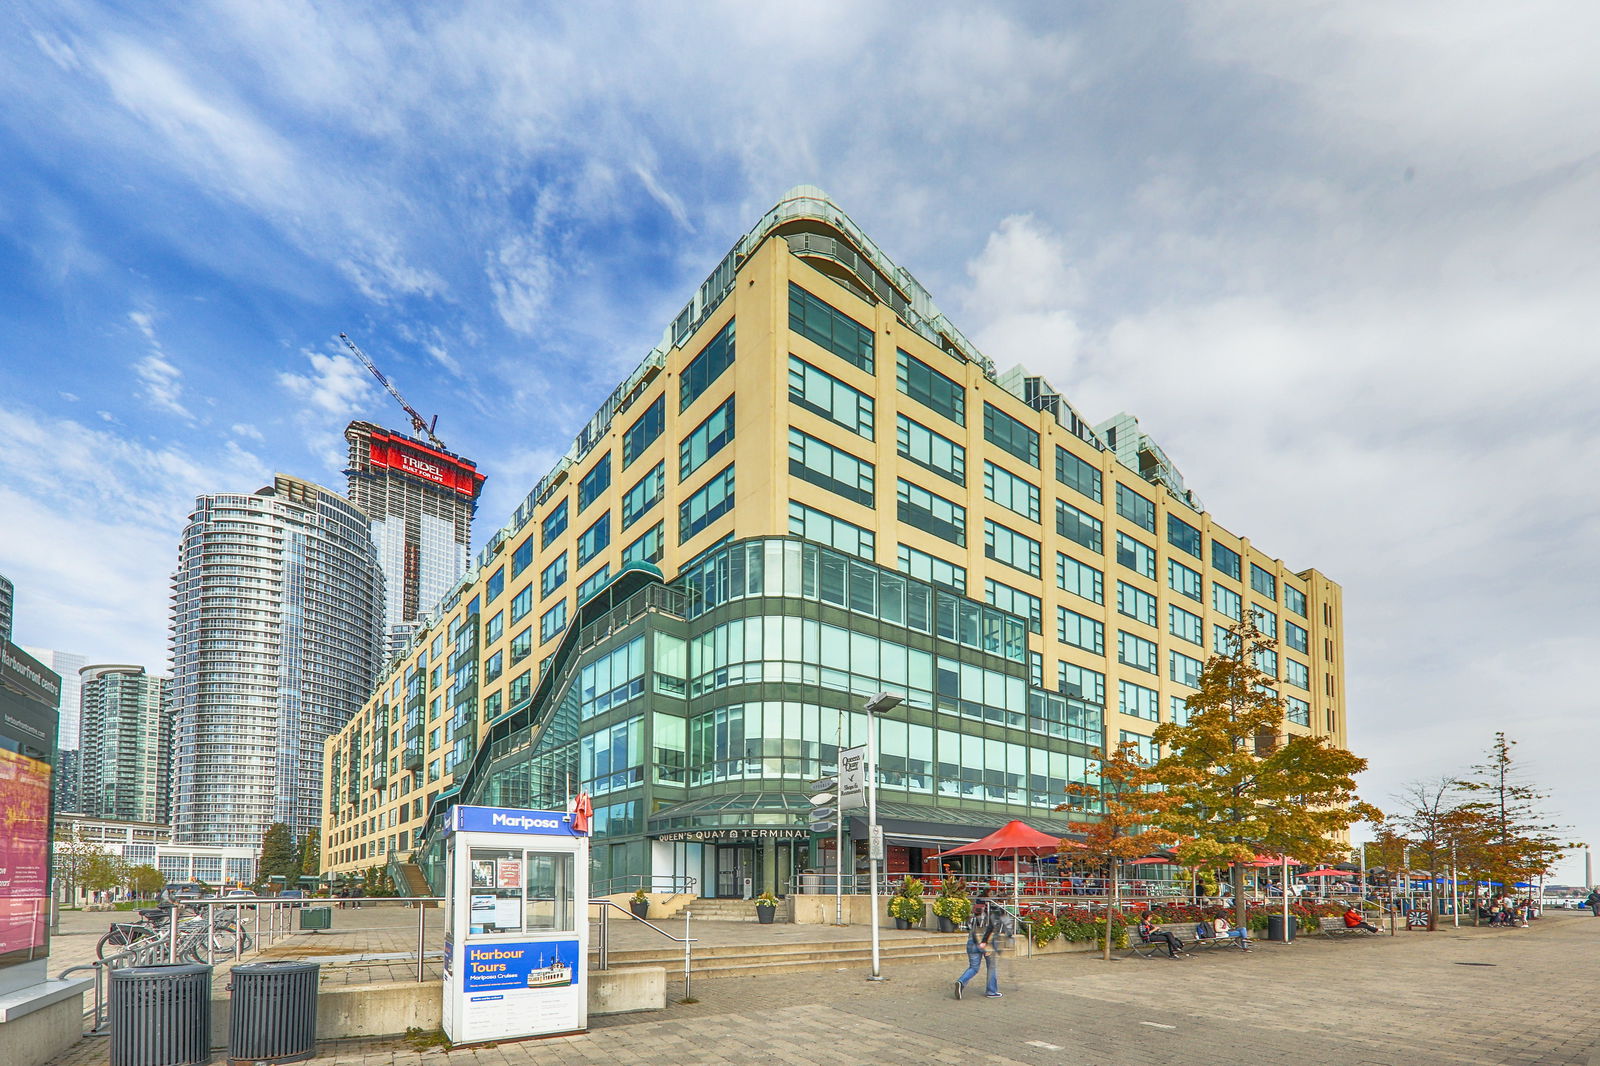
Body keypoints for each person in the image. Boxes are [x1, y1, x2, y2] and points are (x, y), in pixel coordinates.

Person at [954, 895, 1002, 999]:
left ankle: (961, 981)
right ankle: (991, 991)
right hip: (985, 943)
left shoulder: (971, 918)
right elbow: (990, 928)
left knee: (974, 968)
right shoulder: (989, 915)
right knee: (991, 967)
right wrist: (984, 943)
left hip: (971, 942)